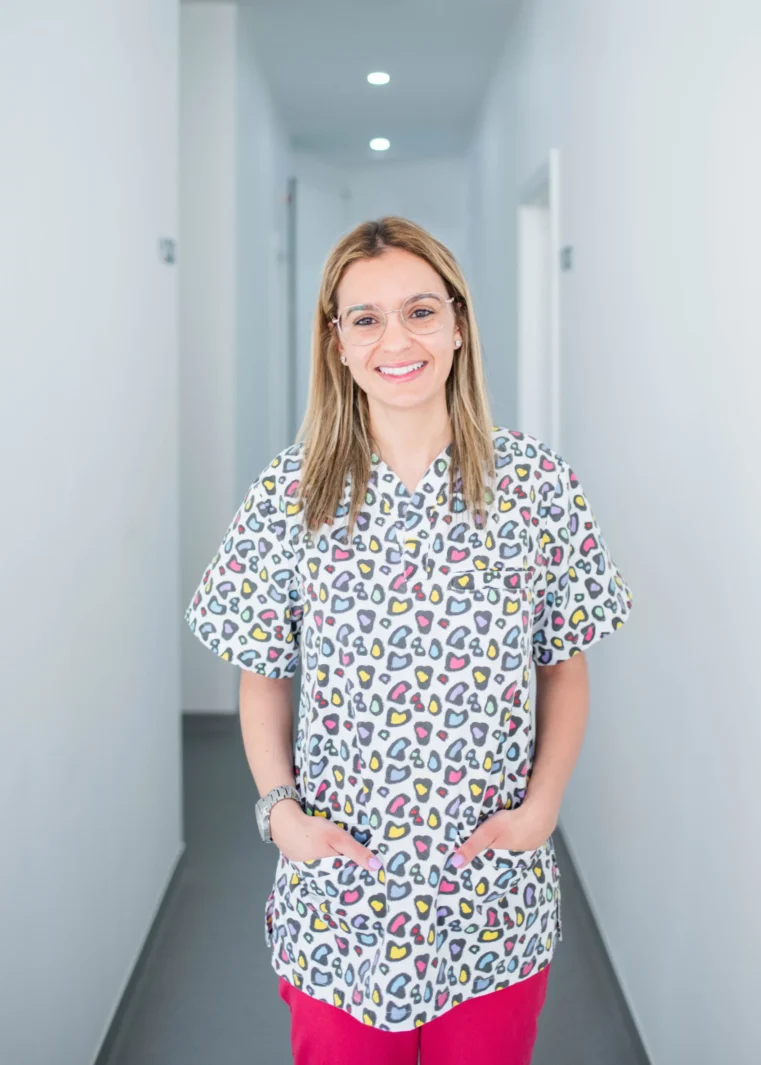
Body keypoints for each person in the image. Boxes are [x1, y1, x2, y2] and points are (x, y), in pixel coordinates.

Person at [184, 216, 633, 1065]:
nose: (398, 338)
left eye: (421, 311)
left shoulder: (535, 485)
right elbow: (263, 672)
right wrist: (280, 812)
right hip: (344, 900)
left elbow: (564, 665)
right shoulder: (292, 493)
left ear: (459, 326)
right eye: (366, 318)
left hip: (488, 896)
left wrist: (541, 810)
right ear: (338, 344)